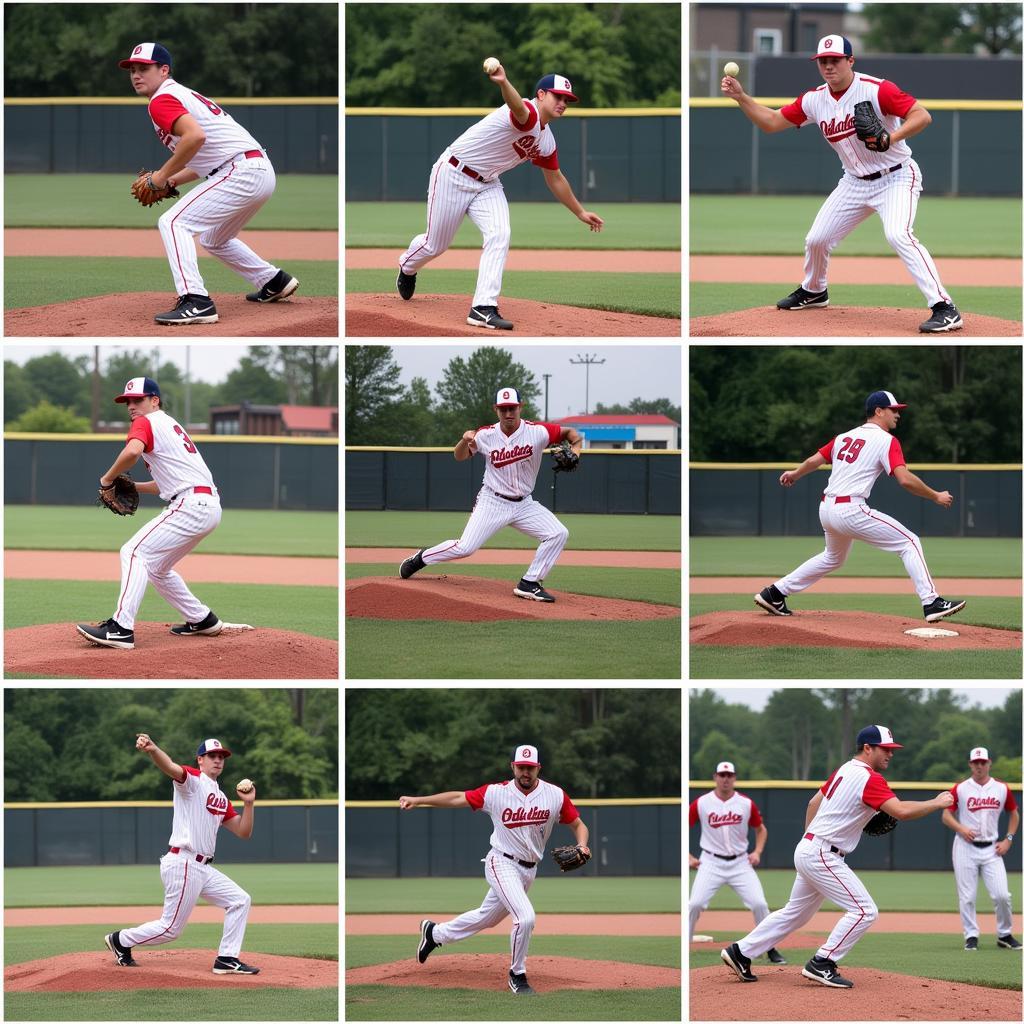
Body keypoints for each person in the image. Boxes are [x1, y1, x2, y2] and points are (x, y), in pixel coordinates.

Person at [721, 34, 961, 334]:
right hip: (854, 182)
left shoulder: (877, 89)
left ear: (850, 61)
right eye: (823, 61)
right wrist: (742, 97)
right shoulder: (814, 99)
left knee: (898, 235)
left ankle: (944, 307)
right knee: (816, 239)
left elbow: (921, 116)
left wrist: (891, 137)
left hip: (897, 175)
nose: (828, 66)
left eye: (835, 60)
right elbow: (771, 123)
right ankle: (814, 291)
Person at [721, 725, 954, 988]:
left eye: (892, 749)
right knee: (865, 910)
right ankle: (823, 962)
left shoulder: (844, 769)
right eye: (885, 749)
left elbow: (812, 803)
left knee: (795, 913)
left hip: (810, 847)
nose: (890, 754)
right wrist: (936, 802)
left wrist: (810, 840)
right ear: (868, 748)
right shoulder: (870, 778)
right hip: (823, 852)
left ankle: (740, 952)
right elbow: (900, 811)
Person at [397, 65, 603, 330]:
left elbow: (555, 178)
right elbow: (517, 107)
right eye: (557, 96)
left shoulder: (547, 141)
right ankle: (407, 266)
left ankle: (483, 307)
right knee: (435, 245)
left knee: (500, 234)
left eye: (567, 100)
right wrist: (504, 82)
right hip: (453, 172)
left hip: (487, 184)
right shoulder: (527, 112)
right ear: (541, 95)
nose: (563, 103)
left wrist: (579, 212)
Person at [119, 42, 299, 326]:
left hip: (240, 170)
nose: (136, 75)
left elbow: (194, 138)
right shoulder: (178, 94)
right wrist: (173, 179)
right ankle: (274, 280)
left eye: (144, 68)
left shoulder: (161, 99)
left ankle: (196, 301)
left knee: (174, 222)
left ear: (164, 70)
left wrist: (160, 176)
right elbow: (205, 155)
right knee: (214, 238)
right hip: (255, 169)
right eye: (132, 70)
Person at [753, 390, 965, 623]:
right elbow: (904, 479)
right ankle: (931, 602)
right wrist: (935, 495)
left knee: (833, 558)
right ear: (878, 411)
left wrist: (795, 473)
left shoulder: (844, 436)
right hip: (850, 510)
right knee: (909, 541)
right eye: (894, 410)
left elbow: (816, 460)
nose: (898, 415)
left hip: (827, 509)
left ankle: (774, 593)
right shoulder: (887, 440)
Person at [399, 744, 590, 996]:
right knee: (526, 917)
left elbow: (578, 824)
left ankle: (434, 933)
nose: (525, 772)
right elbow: (458, 797)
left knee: (486, 918)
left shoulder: (554, 795)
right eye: (521, 767)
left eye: (530, 768)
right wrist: (419, 800)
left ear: (538, 768)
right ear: (512, 767)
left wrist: (583, 846)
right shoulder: (496, 793)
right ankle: (517, 975)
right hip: (501, 862)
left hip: (528, 870)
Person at [76, 376, 223, 650]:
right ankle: (202, 619)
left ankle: (120, 629)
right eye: (127, 401)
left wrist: (108, 479)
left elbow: (132, 451)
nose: (131, 406)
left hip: (190, 506)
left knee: (133, 552)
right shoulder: (171, 425)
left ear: (154, 400)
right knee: (157, 568)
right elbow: (169, 483)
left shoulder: (145, 421)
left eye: (138, 400)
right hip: (207, 505)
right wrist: (135, 487)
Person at [398, 386, 581, 603]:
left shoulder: (538, 431)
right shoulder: (485, 435)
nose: (508, 414)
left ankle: (529, 583)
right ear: (496, 409)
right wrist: (464, 440)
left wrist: (576, 453)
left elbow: (572, 435)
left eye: (512, 408)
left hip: (524, 504)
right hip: (492, 501)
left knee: (558, 533)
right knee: (465, 547)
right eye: (503, 409)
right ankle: (421, 558)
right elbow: (459, 456)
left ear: (520, 407)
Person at [103, 735, 260, 974]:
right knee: (171, 929)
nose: (218, 760)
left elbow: (243, 831)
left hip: (204, 868)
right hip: (184, 861)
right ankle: (120, 940)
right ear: (200, 760)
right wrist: (153, 750)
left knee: (240, 900)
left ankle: (227, 959)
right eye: (212, 756)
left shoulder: (220, 797)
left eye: (221, 757)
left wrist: (248, 804)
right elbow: (171, 767)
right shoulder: (193, 781)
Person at [689, 761, 786, 964]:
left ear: (734, 778)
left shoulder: (745, 803)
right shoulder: (702, 803)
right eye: (722, 775)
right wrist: (687, 856)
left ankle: (770, 948)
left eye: (729, 775)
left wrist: (757, 851)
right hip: (710, 862)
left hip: (740, 863)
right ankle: (685, 944)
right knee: (695, 904)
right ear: (715, 777)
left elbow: (761, 829)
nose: (725, 779)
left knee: (759, 904)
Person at [942, 746, 1021, 951]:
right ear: (970, 764)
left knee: (1002, 895)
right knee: (967, 896)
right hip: (965, 847)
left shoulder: (1001, 788)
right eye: (975, 762)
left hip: (992, 849)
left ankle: (1004, 934)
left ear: (989, 763)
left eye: (983, 762)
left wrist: (1008, 839)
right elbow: (946, 815)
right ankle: (971, 935)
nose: (979, 766)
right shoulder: (960, 788)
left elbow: (1014, 814)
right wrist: (961, 828)